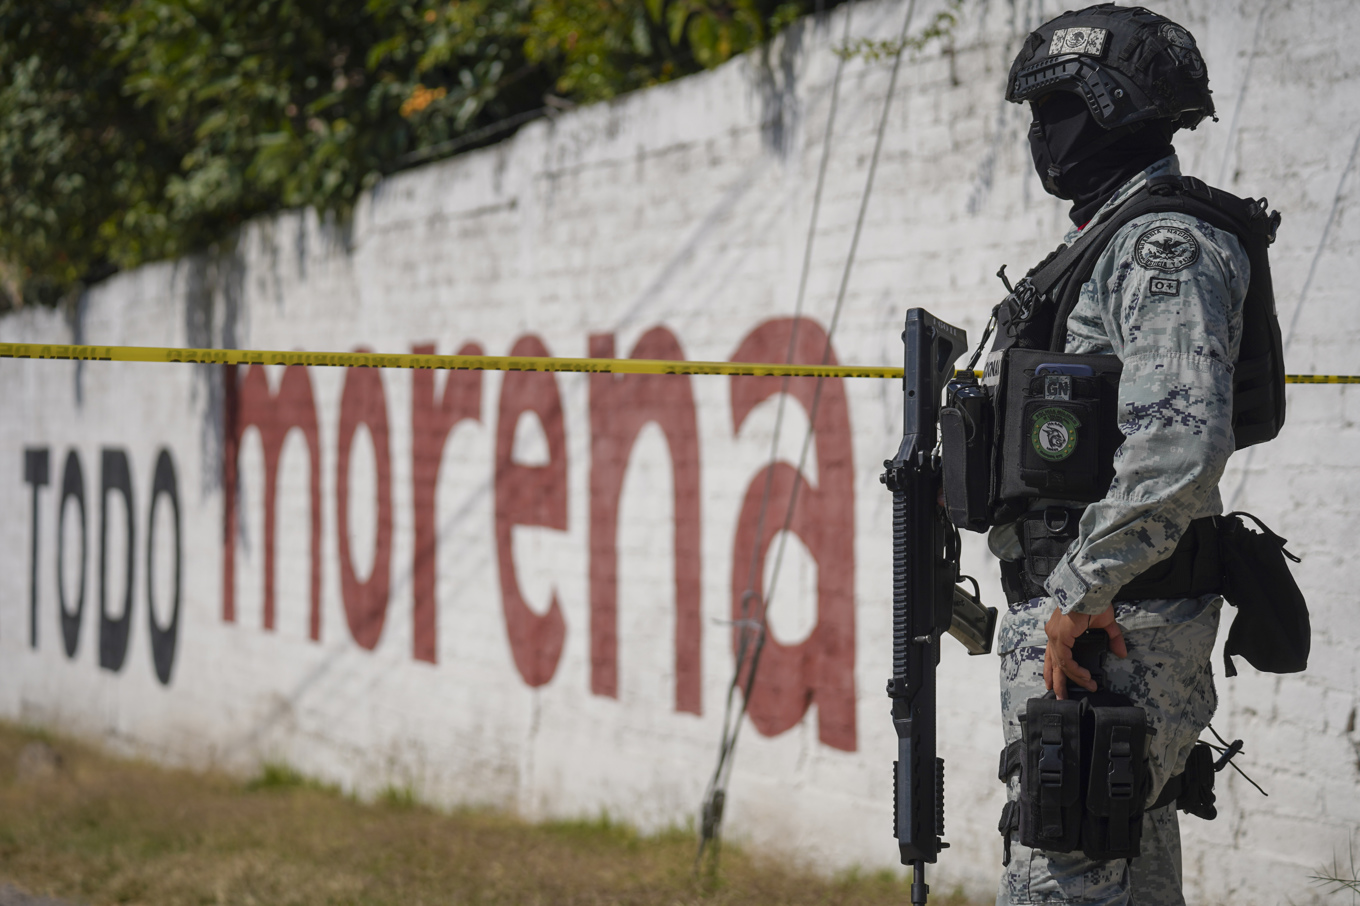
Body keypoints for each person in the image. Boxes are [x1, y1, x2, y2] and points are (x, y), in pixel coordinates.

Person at [987, 5, 1252, 904]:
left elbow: (1181, 440)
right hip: (1102, 619)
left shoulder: (1159, 244)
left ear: (1112, 105)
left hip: (1113, 625)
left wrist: (1077, 591)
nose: (1041, 133)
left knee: (1065, 876)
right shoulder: (1105, 239)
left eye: (1056, 106)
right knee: (1119, 875)